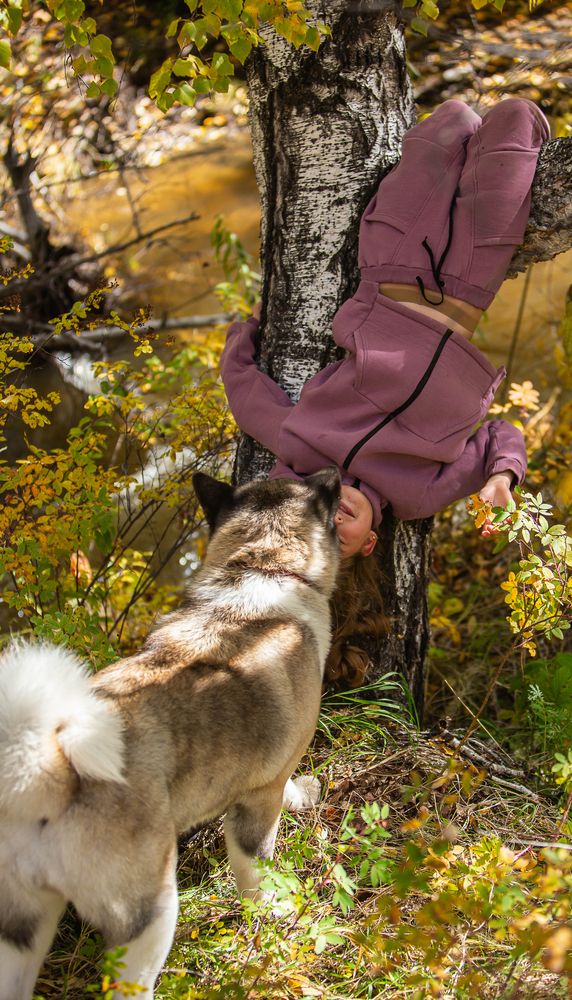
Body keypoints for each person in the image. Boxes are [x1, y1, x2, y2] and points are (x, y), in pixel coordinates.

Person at [220, 99, 549, 572]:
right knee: (518, 119)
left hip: (393, 263)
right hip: (471, 282)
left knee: (452, 120)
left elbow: (242, 389)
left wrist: (252, 323)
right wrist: (501, 478)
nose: (334, 520)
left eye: (315, 523)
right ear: (370, 543)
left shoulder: (297, 444)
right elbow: (501, 434)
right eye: (339, 541)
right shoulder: (420, 496)